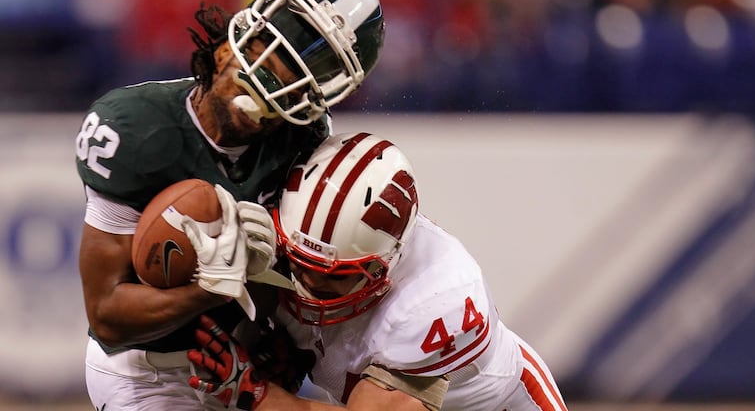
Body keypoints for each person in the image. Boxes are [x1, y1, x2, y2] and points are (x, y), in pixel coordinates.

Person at [74, 0, 385, 409]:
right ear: (223, 52)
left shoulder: (305, 141)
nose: (262, 103)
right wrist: (215, 288)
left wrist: (282, 329)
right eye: (254, 75)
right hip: (145, 370)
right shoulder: (134, 129)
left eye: (284, 94)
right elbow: (107, 316)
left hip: (240, 365)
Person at [188, 132, 569, 410]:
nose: (310, 284)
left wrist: (260, 396)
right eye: (301, 264)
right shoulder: (286, 238)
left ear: (388, 261)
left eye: (335, 276)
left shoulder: (436, 298)